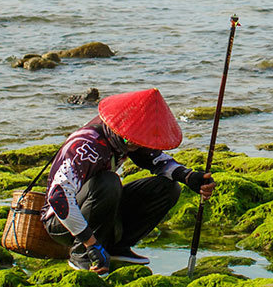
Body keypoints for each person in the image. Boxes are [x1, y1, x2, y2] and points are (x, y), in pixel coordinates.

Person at [41, 88, 214, 273]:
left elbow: (158, 161)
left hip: (99, 210)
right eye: (131, 141)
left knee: (169, 188)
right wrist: (90, 243)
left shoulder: (127, 138)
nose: (136, 145)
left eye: (140, 141)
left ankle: (116, 247)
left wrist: (189, 177)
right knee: (109, 182)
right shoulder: (86, 146)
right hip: (61, 221)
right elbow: (59, 197)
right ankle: (81, 254)